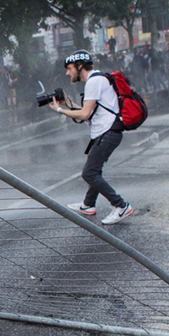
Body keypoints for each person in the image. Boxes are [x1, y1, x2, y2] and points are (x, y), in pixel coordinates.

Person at [49, 49, 134, 225]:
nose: (67, 72)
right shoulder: (97, 80)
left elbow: (85, 114)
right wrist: (69, 104)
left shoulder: (94, 81)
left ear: (80, 66)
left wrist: (59, 110)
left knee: (89, 173)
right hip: (105, 134)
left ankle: (121, 205)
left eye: (69, 68)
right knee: (95, 170)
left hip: (107, 134)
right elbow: (89, 113)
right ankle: (88, 204)